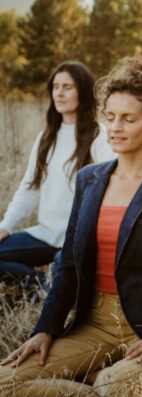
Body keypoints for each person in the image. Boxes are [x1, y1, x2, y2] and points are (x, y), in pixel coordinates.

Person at [0, 57, 142, 397]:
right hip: (94, 324)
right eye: (110, 117)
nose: (115, 127)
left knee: (114, 388)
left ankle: (109, 381)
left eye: (128, 119)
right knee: (4, 382)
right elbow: (67, 262)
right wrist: (46, 329)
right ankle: (89, 386)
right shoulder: (89, 179)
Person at [0, 61, 114, 290]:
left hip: (77, 241)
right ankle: (44, 286)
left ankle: (58, 286)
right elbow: (29, 188)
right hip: (45, 233)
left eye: (67, 87)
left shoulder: (99, 136)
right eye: (56, 87)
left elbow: (110, 192)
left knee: (72, 279)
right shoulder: (47, 137)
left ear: (82, 91)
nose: (59, 93)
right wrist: (6, 227)